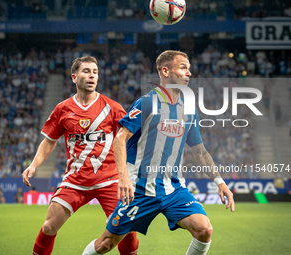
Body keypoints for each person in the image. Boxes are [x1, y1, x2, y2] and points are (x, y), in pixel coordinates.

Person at [82, 50, 235, 255]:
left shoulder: (189, 109)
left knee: (204, 229)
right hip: (139, 189)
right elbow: (119, 140)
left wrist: (220, 182)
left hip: (173, 188)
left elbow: (200, 151)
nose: (189, 73)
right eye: (183, 67)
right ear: (165, 71)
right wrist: (124, 178)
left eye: (189, 68)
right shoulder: (146, 102)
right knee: (105, 244)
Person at [22, 56, 139, 255]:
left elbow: (128, 138)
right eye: (86, 71)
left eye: (95, 72)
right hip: (75, 181)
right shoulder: (62, 109)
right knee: (49, 226)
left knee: (127, 230)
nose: (92, 75)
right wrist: (34, 165)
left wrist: (128, 173)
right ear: (74, 77)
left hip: (109, 180)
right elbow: (50, 140)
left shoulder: (112, 107)